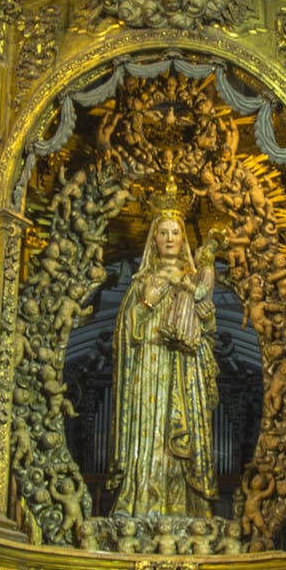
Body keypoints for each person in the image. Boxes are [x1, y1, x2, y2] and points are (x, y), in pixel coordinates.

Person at [108, 209, 220, 520]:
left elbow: (207, 340)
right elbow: (124, 335)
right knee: (152, 433)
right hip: (149, 368)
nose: (169, 238)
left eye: (175, 232)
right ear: (153, 240)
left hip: (184, 370)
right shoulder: (142, 284)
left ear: (183, 239)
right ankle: (143, 501)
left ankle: (188, 507)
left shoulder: (193, 281)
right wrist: (147, 302)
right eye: (163, 232)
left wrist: (207, 317)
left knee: (184, 430)